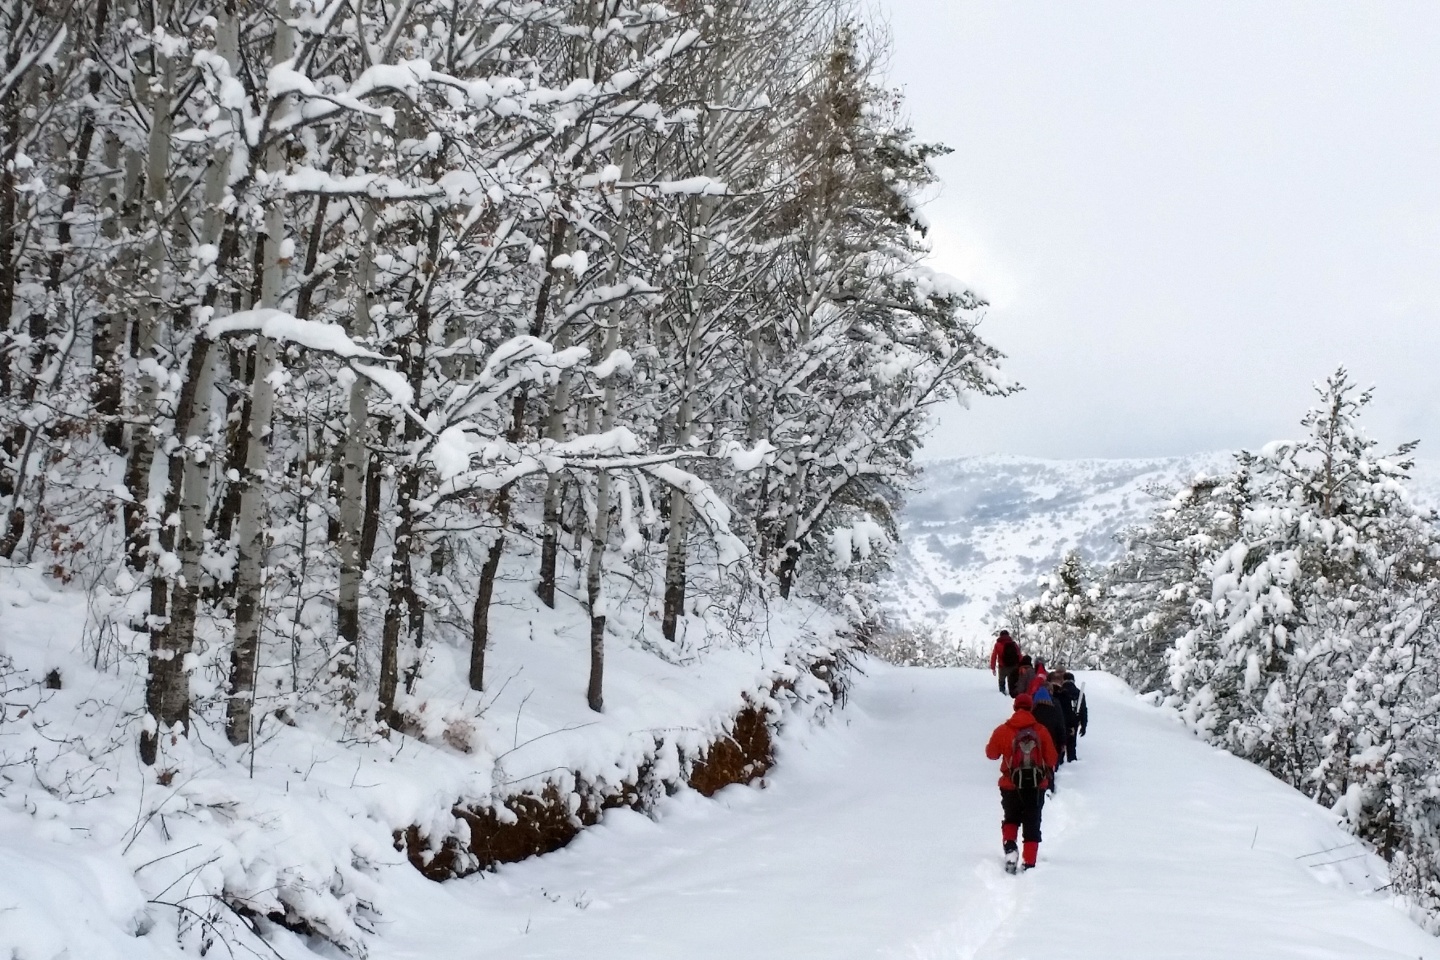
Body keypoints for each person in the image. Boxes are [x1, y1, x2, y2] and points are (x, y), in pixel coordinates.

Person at [985, 692, 1059, 873]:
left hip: (1010, 784)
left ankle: (1011, 849)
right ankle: (1030, 864)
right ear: (1031, 708)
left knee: (1011, 818)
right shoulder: (1041, 731)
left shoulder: (1003, 730)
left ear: (1014, 707)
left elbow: (991, 754)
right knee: (1032, 822)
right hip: (1036, 785)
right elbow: (1052, 759)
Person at [1030, 683, 1067, 782]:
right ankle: (1049, 785)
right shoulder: (1055, 705)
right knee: (1049, 768)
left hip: (1033, 743)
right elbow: (1060, 725)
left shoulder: (1032, 705)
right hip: (1051, 742)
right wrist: (1062, 743)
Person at [1054, 671, 1088, 762]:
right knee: (1072, 745)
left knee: (1060, 744)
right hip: (1074, 723)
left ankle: (1060, 762)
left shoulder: (1059, 693)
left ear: (1063, 680)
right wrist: (1083, 725)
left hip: (1061, 723)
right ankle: (1072, 762)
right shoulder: (1079, 693)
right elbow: (1083, 710)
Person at [990, 630, 1022, 695]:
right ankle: (1013, 693)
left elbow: (994, 656)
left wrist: (993, 667)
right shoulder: (1013, 644)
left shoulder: (998, 644)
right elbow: (1019, 655)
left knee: (1001, 681)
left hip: (1002, 667)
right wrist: (1021, 665)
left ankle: (1002, 693)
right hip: (1013, 666)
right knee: (1012, 681)